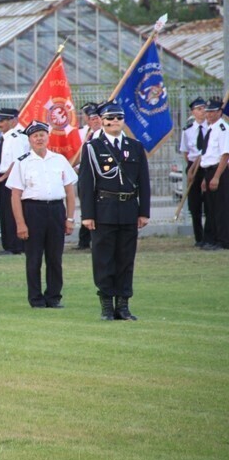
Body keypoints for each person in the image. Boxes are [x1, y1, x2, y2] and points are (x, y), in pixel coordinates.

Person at [79, 101, 150, 320]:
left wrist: (144, 211)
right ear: (101, 121)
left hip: (129, 209)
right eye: (110, 118)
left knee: (126, 259)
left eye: (118, 118)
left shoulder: (135, 146)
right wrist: (88, 215)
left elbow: (144, 182)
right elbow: (85, 183)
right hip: (104, 211)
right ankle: (107, 306)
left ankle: (123, 305)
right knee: (104, 260)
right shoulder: (92, 147)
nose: (114, 122)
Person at [8, 121, 77, 309]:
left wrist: (70, 219)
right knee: (34, 258)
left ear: (48, 136)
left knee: (55, 258)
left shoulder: (59, 160)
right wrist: (21, 223)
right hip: (33, 211)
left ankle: (54, 297)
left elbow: (70, 192)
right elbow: (15, 195)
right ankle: (36, 298)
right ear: (29, 139)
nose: (39, 138)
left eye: (42, 135)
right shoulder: (22, 162)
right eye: (35, 136)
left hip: (55, 210)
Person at [0, 108, 29, 255]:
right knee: (5, 211)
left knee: (12, 212)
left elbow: (17, 161)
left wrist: (3, 177)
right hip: (3, 176)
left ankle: (15, 245)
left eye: (3, 121)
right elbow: (1, 160)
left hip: (12, 178)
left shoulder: (17, 137)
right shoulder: (5, 136)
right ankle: (9, 244)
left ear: (13, 121)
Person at [200, 98, 229, 250]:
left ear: (219, 112)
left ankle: (223, 240)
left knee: (221, 208)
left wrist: (217, 176)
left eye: (212, 112)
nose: (209, 115)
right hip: (209, 170)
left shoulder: (223, 128)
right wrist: (206, 178)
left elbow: (225, 155)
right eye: (208, 112)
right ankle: (211, 238)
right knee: (210, 208)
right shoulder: (210, 129)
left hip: (220, 171)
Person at [179, 97, 208, 247]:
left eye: (204, 108)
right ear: (193, 112)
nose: (202, 111)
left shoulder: (212, 128)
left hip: (208, 166)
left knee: (210, 204)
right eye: (199, 109)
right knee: (195, 205)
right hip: (193, 168)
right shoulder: (188, 131)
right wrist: (191, 168)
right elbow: (185, 152)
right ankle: (199, 238)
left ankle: (211, 236)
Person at [74, 103, 102, 250]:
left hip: (97, 177)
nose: (95, 121)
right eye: (92, 118)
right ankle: (84, 240)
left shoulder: (102, 136)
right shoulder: (85, 133)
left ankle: (91, 239)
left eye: (97, 118)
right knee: (86, 206)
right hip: (83, 175)